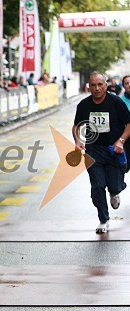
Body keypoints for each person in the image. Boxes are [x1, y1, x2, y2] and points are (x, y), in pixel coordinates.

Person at [72, 71, 130, 234]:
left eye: (100, 84)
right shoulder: (83, 105)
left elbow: (128, 124)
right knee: (97, 186)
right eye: (93, 85)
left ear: (106, 85)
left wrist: (121, 141)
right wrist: (77, 140)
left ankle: (115, 191)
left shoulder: (116, 102)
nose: (97, 88)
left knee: (114, 185)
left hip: (113, 150)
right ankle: (103, 220)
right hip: (94, 150)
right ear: (88, 87)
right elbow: (76, 126)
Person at [120, 74, 130, 172]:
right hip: (125, 140)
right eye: (127, 83)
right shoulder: (120, 101)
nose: (129, 85)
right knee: (125, 167)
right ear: (123, 86)